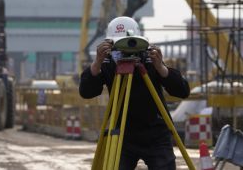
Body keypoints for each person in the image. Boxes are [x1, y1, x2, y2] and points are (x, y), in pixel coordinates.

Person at [79, 16, 190, 170]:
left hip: (155, 133)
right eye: (118, 44)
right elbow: (86, 91)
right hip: (122, 134)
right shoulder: (109, 63)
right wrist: (97, 63)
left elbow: (183, 90)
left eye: (129, 43)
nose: (125, 50)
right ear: (110, 44)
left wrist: (161, 67)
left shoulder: (150, 60)